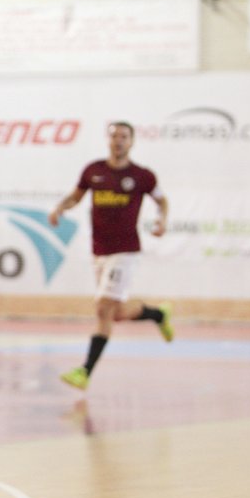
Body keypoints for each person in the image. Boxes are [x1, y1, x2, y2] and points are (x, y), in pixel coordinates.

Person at [48, 121, 172, 390]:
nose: (119, 141)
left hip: (126, 250)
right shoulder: (94, 171)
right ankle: (158, 315)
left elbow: (162, 200)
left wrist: (162, 220)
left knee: (102, 308)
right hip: (99, 251)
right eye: (114, 136)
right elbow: (76, 197)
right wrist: (60, 208)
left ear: (132, 141)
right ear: (108, 140)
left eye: (124, 137)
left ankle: (85, 372)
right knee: (114, 313)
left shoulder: (142, 176)